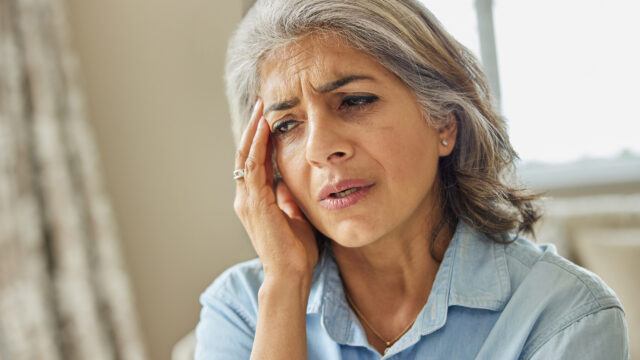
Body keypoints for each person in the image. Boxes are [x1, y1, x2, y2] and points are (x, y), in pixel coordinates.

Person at [195, 0, 630, 358]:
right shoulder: (242, 308)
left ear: (443, 120)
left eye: (355, 100)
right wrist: (285, 284)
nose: (319, 148)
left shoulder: (567, 314)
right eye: (287, 125)